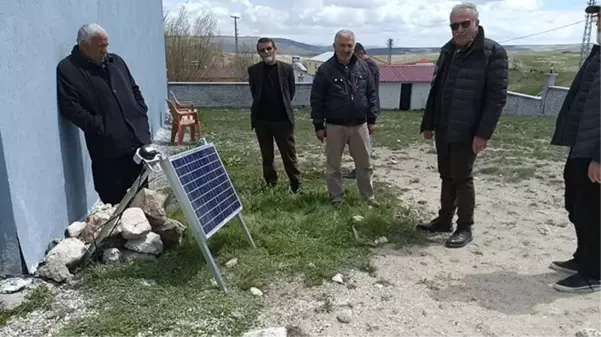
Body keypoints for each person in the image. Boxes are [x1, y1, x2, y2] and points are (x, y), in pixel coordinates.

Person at [417, 2, 508, 248]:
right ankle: (444, 220)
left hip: (468, 131)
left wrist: (482, 134)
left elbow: (496, 99)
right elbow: (437, 90)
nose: (459, 29)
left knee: (462, 177)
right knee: (446, 175)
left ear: (476, 24)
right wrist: (429, 123)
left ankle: (465, 226)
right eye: (454, 25)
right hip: (445, 127)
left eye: (464, 24)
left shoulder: (493, 53)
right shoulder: (448, 51)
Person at [57, 24, 151, 205]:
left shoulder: (116, 62)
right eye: (100, 47)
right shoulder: (69, 70)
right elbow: (70, 108)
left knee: (142, 200)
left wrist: (140, 112)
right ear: (84, 46)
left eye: (106, 45)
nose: (105, 51)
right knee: (115, 205)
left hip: (136, 145)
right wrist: (101, 127)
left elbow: (134, 89)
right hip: (108, 153)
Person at [547, 4, 601, 293]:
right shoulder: (598, 54)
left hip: (596, 152)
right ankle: (584, 258)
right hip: (583, 146)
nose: (599, 21)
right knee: (576, 206)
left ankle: (595, 272)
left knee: (592, 210)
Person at [310, 29, 379, 206]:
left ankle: (368, 196)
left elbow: (371, 94)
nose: (346, 49)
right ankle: (336, 197)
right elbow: (317, 99)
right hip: (335, 125)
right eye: (342, 45)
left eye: (349, 45)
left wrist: (372, 119)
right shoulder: (325, 70)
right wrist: (318, 125)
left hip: (360, 125)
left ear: (354, 47)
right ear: (334, 46)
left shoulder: (363, 67)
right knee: (333, 165)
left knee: (365, 164)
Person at [248, 37, 301, 193]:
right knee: (267, 156)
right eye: (262, 50)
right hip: (262, 121)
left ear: (275, 49)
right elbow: (254, 92)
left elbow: (290, 92)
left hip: (282, 120)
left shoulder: (286, 69)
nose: (266, 52)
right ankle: (271, 184)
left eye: (269, 49)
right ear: (258, 52)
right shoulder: (253, 70)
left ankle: (296, 185)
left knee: (289, 156)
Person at [344, 42, 379, 180]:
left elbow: (365, 89)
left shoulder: (368, 65)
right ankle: (360, 169)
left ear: (358, 53)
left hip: (366, 109)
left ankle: (361, 170)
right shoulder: (370, 64)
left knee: (364, 144)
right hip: (365, 107)